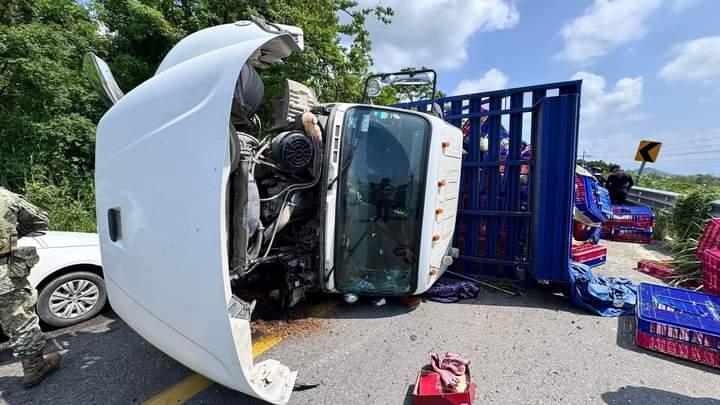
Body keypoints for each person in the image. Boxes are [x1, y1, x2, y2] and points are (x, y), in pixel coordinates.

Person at [0, 187, 62, 387]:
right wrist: (11, 235)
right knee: (20, 321)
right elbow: (39, 219)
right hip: (3, 273)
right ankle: (35, 369)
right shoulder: (4, 197)